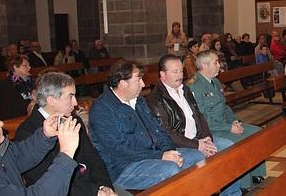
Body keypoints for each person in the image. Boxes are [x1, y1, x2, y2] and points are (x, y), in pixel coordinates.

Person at [88, 60, 205, 190]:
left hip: (152, 154)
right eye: (138, 80)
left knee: (197, 156)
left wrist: (167, 150)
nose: (143, 84)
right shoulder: (102, 110)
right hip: (122, 167)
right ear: (122, 84)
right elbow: (118, 149)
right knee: (169, 169)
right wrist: (159, 156)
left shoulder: (138, 100)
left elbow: (158, 130)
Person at [146, 55, 241, 195]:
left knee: (228, 147)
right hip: (180, 145)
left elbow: (199, 116)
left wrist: (207, 137)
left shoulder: (185, 89)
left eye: (181, 71)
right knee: (199, 158)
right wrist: (197, 145)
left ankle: (232, 193)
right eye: (175, 72)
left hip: (198, 138)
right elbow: (167, 132)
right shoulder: (155, 99)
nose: (180, 75)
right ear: (162, 75)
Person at [15, 72, 117, 196]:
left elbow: (93, 157)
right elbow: (47, 184)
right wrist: (94, 192)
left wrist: (104, 185)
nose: (75, 103)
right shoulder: (27, 132)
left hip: (95, 186)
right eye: (70, 96)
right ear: (51, 100)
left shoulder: (74, 119)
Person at [189, 50, 266, 190]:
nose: (220, 65)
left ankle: (256, 173)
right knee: (238, 142)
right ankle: (244, 183)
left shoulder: (216, 82)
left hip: (225, 123)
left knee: (258, 133)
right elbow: (202, 118)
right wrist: (228, 128)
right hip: (213, 130)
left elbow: (224, 107)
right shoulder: (194, 86)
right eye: (216, 62)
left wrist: (235, 121)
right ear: (204, 66)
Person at [0, 113, 82, 195]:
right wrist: (66, 153)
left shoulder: (0, 150)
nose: (0, 123)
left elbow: (19, 156)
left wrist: (45, 136)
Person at [0, 55, 34, 120]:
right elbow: (13, 107)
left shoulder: (31, 81)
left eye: (29, 65)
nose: (29, 67)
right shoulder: (7, 85)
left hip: (28, 116)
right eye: (25, 65)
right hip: (13, 120)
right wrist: (33, 101)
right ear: (15, 67)